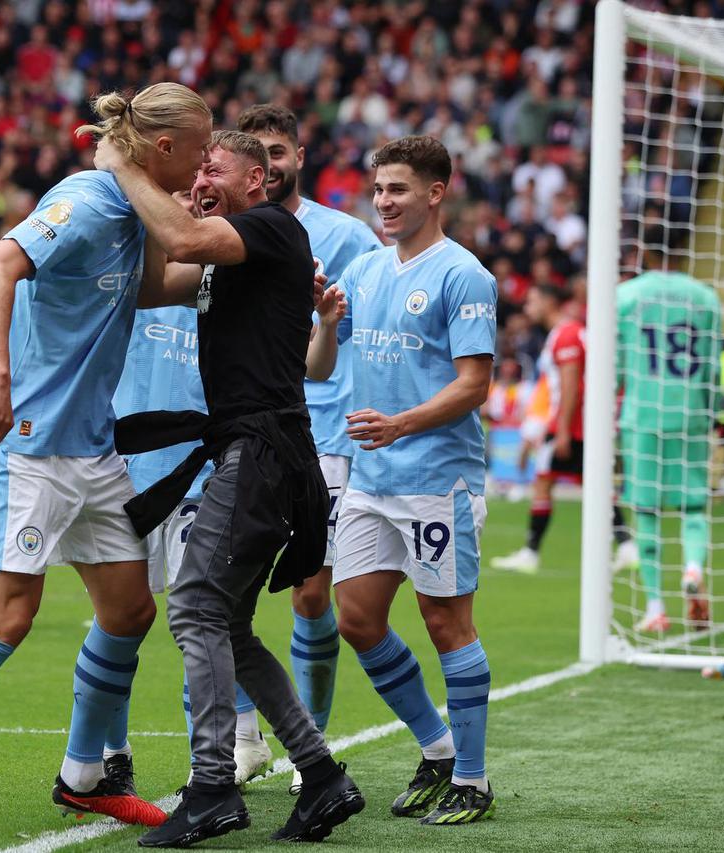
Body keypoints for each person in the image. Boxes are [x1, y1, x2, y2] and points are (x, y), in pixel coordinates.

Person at [0, 83, 213, 840]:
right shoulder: (89, 199)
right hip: (28, 446)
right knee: (7, 616)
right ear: (162, 148)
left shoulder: (132, 209)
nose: (207, 159)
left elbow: (154, 286)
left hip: (90, 448)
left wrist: (241, 276)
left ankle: (84, 775)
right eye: (201, 146)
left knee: (128, 609)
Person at [98, 130, 364, 847]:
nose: (202, 175)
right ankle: (323, 776)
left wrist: (125, 165)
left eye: (214, 168)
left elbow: (181, 237)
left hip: (261, 451)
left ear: (257, 179)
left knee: (192, 604)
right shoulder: (231, 247)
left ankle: (212, 784)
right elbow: (156, 282)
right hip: (259, 451)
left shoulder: (274, 226)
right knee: (231, 626)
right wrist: (171, 205)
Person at [306, 136, 497, 824]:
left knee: (446, 621)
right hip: (371, 477)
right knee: (356, 618)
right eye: (378, 190)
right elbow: (321, 368)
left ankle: (473, 781)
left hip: (436, 479)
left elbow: (475, 385)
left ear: (436, 193)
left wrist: (401, 423)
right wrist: (327, 324)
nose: (383, 202)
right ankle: (438, 747)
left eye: (398, 190)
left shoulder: (463, 275)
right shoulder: (363, 269)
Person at [237, 104, 384, 795]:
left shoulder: (347, 236)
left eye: (278, 149)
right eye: (255, 153)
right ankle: (241, 735)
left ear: (299, 151)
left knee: (308, 593)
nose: (269, 162)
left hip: (323, 431)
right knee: (223, 592)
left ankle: (309, 742)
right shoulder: (227, 231)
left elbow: (366, 331)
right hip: (243, 428)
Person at [111, 191, 273, 790]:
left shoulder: (224, 273)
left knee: (202, 621)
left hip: (202, 471)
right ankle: (108, 755)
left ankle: (226, 753)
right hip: (129, 473)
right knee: (119, 621)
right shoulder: (133, 274)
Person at [491, 284, 637, 574]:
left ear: (548, 300)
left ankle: (531, 553)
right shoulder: (566, 333)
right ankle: (627, 546)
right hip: (581, 424)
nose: (527, 307)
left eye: (532, 300)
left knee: (544, 480)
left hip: (571, 425)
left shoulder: (566, 334)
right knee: (593, 486)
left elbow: (571, 384)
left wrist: (562, 431)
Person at [617, 232, 721, 631]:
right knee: (693, 506)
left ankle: (656, 607)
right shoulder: (705, 297)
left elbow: (615, 363)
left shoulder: (627, 296)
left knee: (647, 510)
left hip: (643, 413)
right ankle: (693, 568)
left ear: (644, 252)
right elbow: (712, 364)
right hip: (691, 411)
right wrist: (708, 414)